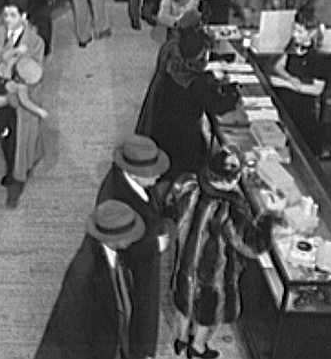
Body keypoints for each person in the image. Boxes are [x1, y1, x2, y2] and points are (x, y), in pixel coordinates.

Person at [168, 148, 276, 359]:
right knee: (207, 313)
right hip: (211, 271)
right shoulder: (229, 209)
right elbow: (251, 245)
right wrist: (269, 218)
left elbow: (173, 208)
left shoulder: (190, 186)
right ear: (231, 180)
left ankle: (181, 339)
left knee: (184, 300)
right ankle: (197, 347)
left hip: (187, 260)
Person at [34, 200, 146, 359]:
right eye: (130, 235)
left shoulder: (117, 253)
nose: (134, 238)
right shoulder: (84, 271)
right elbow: (71, 328)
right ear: (113, 238)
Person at [95, 136, 172, 359]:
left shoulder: (127, 182)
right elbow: (121, 244)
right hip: (136, 269)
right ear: (136, 173)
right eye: (153, 172)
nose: (159, 175)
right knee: (140, 312)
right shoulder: (116, 199)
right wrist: (156, 243)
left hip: (142, 262)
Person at [136, 19, 237, 177]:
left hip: (163, 130)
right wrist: (233, 91)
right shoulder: (196, 83)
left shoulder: (173, 60)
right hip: (183, 142)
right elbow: (219, 106)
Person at [0, 0, 46, 207]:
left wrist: (6, 99)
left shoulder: (35, 43)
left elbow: (33, 80)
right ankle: (9, 163)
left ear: (24, 17)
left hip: (17, 104)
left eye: (13, 15)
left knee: (16, 144)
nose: (7, 19)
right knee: (2, 135)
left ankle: (15, 185)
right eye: (5, 14)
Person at [272, 19, 330, 158]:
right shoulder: (294, 45)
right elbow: (278, 66)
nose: (294, 34)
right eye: (294, 29)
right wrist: (289, 78)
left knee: (301, 150)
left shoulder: (318, 57)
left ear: (311, 33)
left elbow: (317, 89)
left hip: (302, 108)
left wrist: (288, 84)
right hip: (284, 101)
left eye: (299, 31)